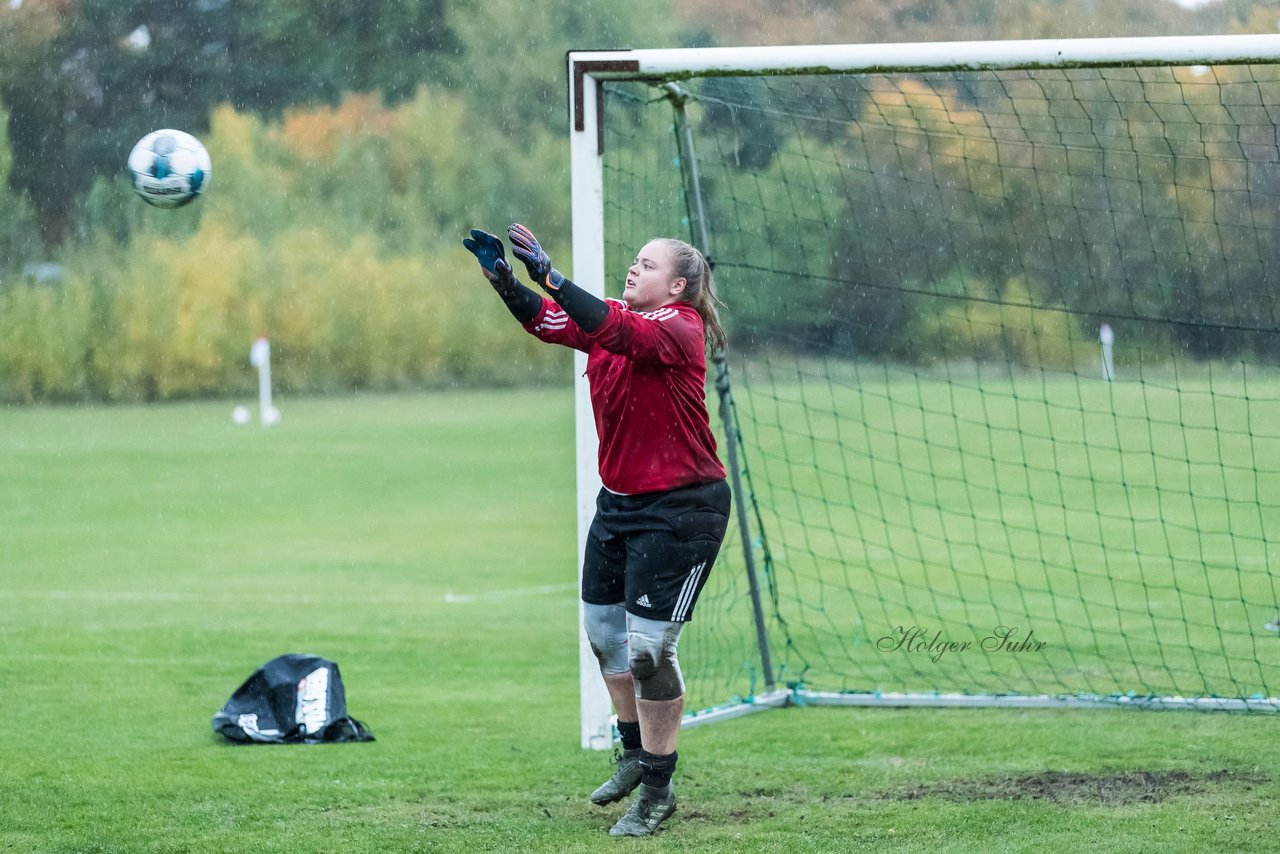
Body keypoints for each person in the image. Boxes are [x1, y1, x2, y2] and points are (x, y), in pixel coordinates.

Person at [463, 223, 732, 837]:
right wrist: (505, 277)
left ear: (679, 285)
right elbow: (549, 322)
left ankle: (658, 790)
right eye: (633, 262)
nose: (633, 269)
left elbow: (609, 327)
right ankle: (634, 752)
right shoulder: (613, 318)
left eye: (647, 264)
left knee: (647, 652)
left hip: (682, 510)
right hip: (619, 506)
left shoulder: (678, 327)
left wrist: (554, 277)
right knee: (604, 635)